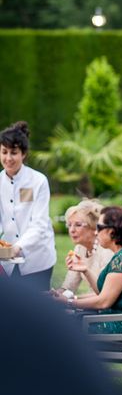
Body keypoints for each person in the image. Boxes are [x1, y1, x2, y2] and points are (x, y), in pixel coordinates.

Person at [54, 206, 122, 334]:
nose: (96, 232)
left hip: (120, 324)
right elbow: (103, 292)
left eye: (99, 227)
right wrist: (85, 270)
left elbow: (103, 302)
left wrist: (69, 302)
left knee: (55, 325)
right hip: (114, 318)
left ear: (112, 231)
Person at [0, 121, 56, 290]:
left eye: (14, 153)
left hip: (37, 258)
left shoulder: (38, 181)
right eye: (4, 152)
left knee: (36, 310)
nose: (8, 158)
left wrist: (18, 247)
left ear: (23, 154)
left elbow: (39, 223)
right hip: (7, 261)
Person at [55, 199, 113, 296]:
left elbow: (105, 294)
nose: (72, 230)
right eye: (69, 225)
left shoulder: (106, 250)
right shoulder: (80, 248)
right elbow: (69, 287)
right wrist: (55, 294)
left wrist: (70, 299)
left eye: (78, 225)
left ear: (94, 227)